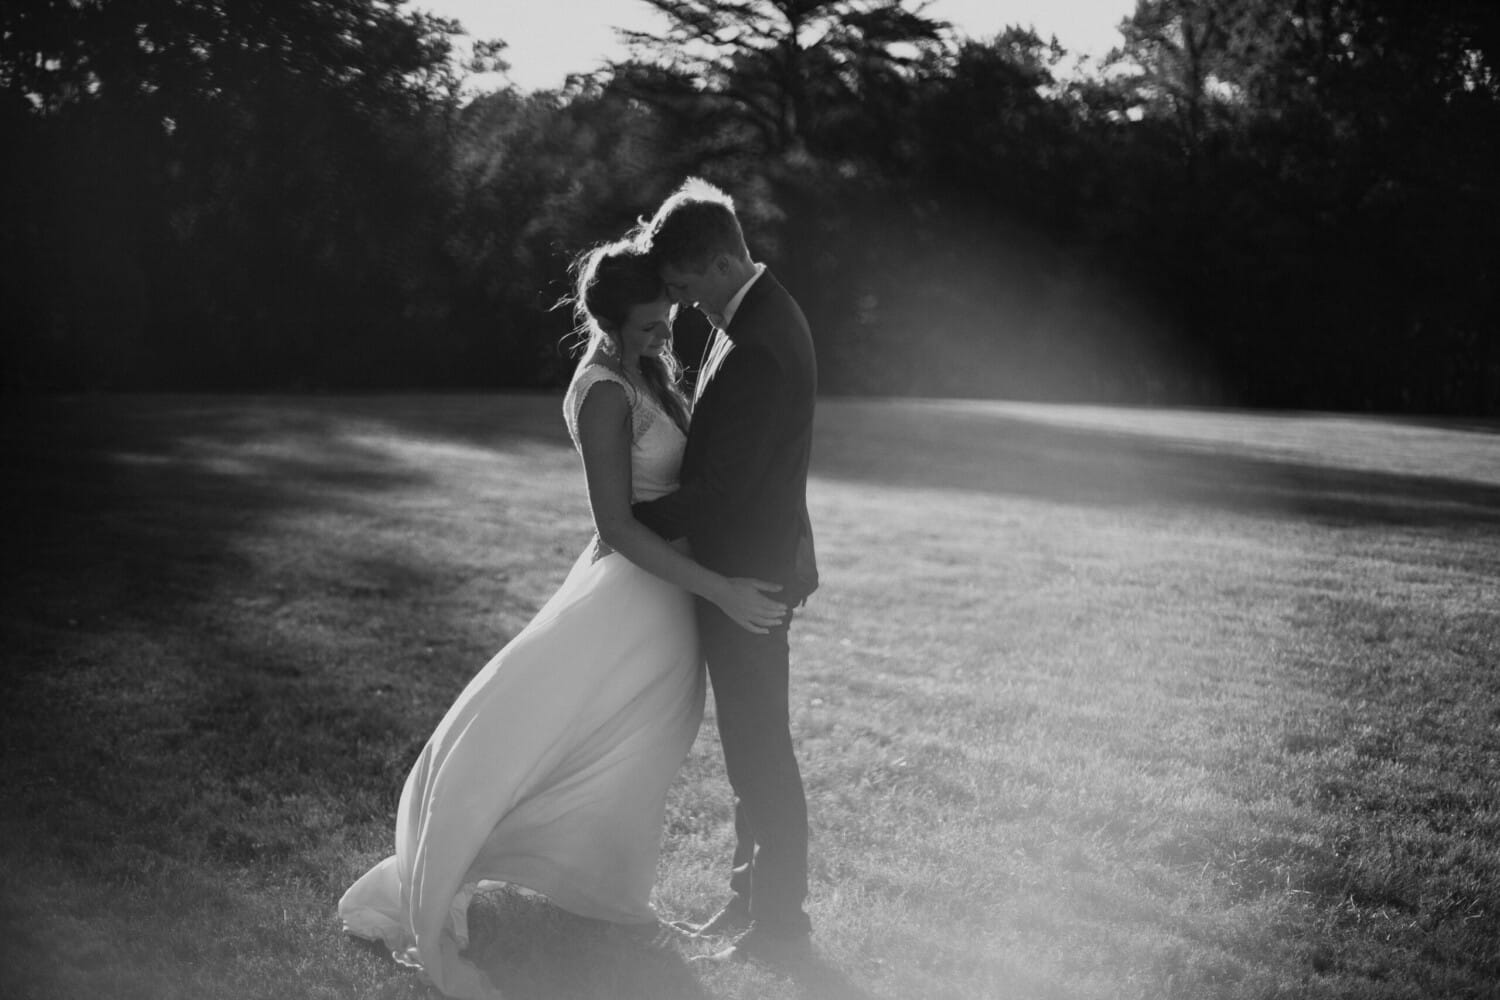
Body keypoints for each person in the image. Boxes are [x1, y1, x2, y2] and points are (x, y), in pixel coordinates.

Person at [337, 239, 787, 999]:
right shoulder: (605, 389)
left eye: (666, 319)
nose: (662, 336)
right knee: (539, 729)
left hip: (665, 603)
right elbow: (616, 526)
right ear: (608, 324)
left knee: (639, 747)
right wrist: (718, 587)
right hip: (635, 595)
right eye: (647, 325)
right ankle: (449, 859)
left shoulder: (646, 369)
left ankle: (605, 890)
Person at [632, 178, 820, 964]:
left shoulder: (761, 342)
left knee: (759, 749)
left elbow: (719, 490)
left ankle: (778, 922)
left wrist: (626, 522)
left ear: (715, 263)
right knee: (750, 746)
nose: (679, 306)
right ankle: (745, 904)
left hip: (749, 577)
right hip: (740, 566)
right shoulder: (743, 315)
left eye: (681, 287)